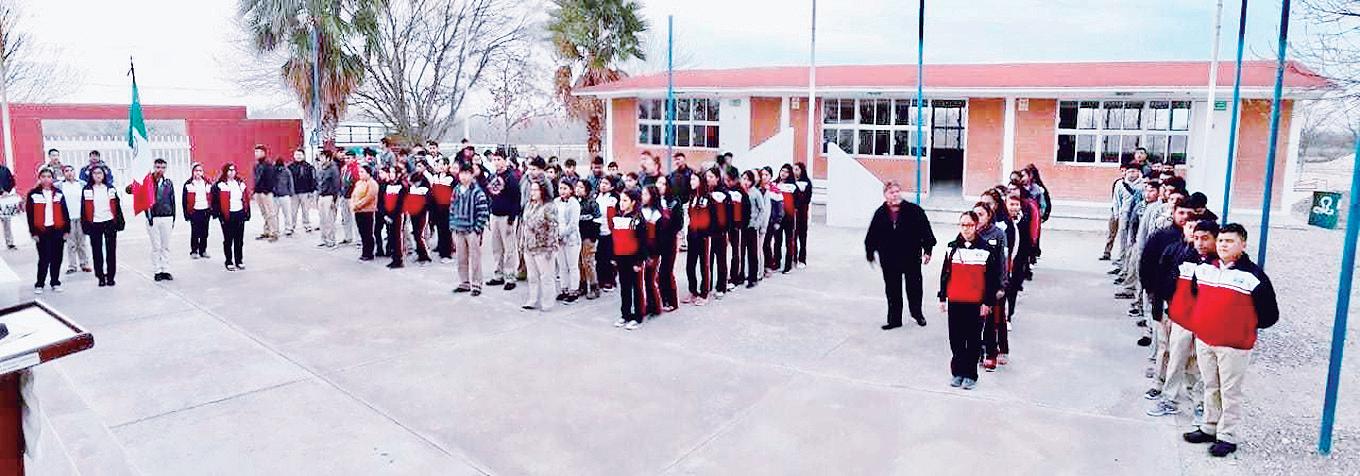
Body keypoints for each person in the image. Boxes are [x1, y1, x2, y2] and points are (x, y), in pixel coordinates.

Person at [1181, 223, 1279, 458]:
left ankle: (1227, 436)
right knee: (1210, 385)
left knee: (1230, 391)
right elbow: (1195, 294)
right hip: (1205, 340)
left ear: (1242, 244)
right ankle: (1209, 426)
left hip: (1234, 346)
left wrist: (1240, 326)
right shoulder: (1204, 269)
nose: (1223, 245)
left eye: (1230, 241)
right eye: (1221, 240)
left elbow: (1269, 314)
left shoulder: (1253, 276)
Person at [938, 211, 1002, 390]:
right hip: (955, 301)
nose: (966, 229)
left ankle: (970, 374)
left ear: (976, 226)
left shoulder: (986, 250)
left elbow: (992, 279)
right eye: (963, 225)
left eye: (969, 225)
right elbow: (945, 274)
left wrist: (987, 302)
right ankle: (957, 372)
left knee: (973, 339)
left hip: (975, 303)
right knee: (955, 338)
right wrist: (942, 297)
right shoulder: (951, 248)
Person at [865, 181, 936, 329]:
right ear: (885, 195)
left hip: (911, 256)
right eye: (892, 192)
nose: (895, 195)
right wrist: (870, 253)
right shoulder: (880, 213)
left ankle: (917, 314)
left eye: (897, 191)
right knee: (892, 289)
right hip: (889, 259)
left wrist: (928, 250)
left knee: (914, 287)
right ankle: (894, 320)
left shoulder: (914, 211)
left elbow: (925, 230)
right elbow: (872, 235)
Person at [972, 201, 1010, 371]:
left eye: (981, 214)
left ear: (989, 216)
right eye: (975, 215)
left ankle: (992, 352)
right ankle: (977, 352)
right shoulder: (969, 232)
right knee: (974, 322)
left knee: (992, 321)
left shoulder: (998, 234)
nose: (977, 218)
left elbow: (1003, 261)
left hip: (992, 284)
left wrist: (1001, 285)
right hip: (974, 285)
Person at [128, 159, 177, 281]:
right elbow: (129, 190)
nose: (160, 170)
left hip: (167, 216)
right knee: (156, 246)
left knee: (166, 245)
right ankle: (157, 270)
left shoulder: (168, 183)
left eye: (163, 167)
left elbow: (173, 201)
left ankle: (166, 269)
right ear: (154, 167)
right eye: (158, 167)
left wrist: (173, 218)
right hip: (153, 217)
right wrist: (137, 183)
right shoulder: (147, 182)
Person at [26, 168, 70, 293]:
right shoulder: (33, 194)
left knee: (57, 258)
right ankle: (39, 283)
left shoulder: (58, 193)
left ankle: (55, 282)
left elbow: (65, 212)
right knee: (44, 258)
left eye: (49, 176)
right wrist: (33, 232)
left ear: (52, 179)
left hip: (57, 230)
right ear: (39, 178)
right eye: (43, 176)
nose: (46, 179)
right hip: (42, 231)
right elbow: (30, 215)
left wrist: (67, 230)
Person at [450, 165, 490, 295]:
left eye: (467, 173)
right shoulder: (456, 190)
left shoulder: (477, 192)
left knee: (475, 258)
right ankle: (464, 282)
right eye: (462, 173)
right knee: (461, 258)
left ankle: (476, 284)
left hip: (472, 230)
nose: (464, 176)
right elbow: (452, 209)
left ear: (472, 175)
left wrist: (477, 228)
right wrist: (452, 226)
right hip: (459, 229)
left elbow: (483, 211)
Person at [81, 166, 124, 286]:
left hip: (109, 222)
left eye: (100, 173)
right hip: (94, 223)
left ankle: (110, 277)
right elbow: (83, 209)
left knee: (111, 251)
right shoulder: (87, 189)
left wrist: (119, 222)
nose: (98, 175)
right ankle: (100, 276)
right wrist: (85, 225)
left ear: (104, 175)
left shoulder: (110, 188)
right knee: (97, 251)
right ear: (91, 175)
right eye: (95, 173)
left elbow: (117, 206)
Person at [611, 188, 647, 330]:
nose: (621, 203)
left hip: (633, 258)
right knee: (624, 287)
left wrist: (639, 261)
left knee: (636, 287)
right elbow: (615, 239)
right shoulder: (618, 217)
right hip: (621, 257)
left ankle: (638, 316)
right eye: (621, 200)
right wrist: (614, 257)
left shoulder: (637, 219)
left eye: (625, 200)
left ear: (633, 202)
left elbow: (642, 242)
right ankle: (625, 314)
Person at [520, 181, 559, 312]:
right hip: (529, 245)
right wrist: (522, 243)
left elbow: (553, 228)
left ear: (543, 191)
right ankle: (532, 299)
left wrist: (550, 248)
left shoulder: (549, 207)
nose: (532, 193)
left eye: (535, 190)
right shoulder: (529, 205)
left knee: (546, 276)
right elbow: (524, 226)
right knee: (532, 276)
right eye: (531, 190)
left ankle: (547, 301)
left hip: (543, 246)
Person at [486, 152, 521, 291]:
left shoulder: (511, 178)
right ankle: (498, 274)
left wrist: (512, 219)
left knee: (509, 249)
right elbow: (489, 195)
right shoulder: (492, 176)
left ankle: (510, 276)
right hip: (494, 215)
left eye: (499, 159)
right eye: (494, 159)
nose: (496, 162)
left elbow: (516, 199)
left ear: (505, 160)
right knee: (496, 248)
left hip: (506, 217)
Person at [211, 163, 252, 271]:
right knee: (228, 239)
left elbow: (246, 199)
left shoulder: (240, 183)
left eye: (233, 170)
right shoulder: (220, 185)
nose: (232, 172)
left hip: (239, 213)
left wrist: (247, 213)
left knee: (239, 239)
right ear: (225, 171)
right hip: (227, 215)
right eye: (229, 170)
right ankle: (228, 261)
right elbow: (215, 202)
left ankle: (239, 260)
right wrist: (219, 216)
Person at [685, 173, 715, 306]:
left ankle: (704, 293)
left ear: (700, 181)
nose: (691, 181)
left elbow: (713, 217)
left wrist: (707, 233)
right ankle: (693, 291)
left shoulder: (708, 197)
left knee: (704, 265)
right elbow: (690, 214)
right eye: (690, 179)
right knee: (690, 265)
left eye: (693, 179)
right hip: (692, 235)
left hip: (703, 236)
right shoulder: (692, 197)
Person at [639, 185, 668, 317]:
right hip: (642, 249)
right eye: (642, 194)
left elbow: (661, 238)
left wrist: (654, 254)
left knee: (650, 280)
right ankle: (648, 304)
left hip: (653, 251)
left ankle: (656, 306)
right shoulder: (641, 210)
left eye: (646, 194)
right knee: (644, 280)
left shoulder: (658, 214)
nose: (643, 197)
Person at [58, 165, 91, 274]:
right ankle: (72, 265)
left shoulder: (82, 184)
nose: (69, 173)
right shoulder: (60, 186)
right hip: (68, 218)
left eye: (71, 170)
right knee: (71, 243)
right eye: (66, 171)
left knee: (82, 242)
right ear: (63, 173)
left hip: (80, 217)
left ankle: (84, 263)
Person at [656, 179, 683, 310]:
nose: (659, 186)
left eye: (663, 184)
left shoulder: (674, 202)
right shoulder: (654, 201)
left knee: (666, 271)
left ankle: (671, 301)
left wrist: (666, 224)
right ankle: (661, 299)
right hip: (656, 240)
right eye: (658, 183)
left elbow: (679, 223)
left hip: (669, 240)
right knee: (656, 272)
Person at [554, 180, 583, 303]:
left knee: (572, 266)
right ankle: (564, 289)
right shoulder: (556, 202)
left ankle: (574, 290)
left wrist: (562, 234)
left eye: (565, 188)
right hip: (558, 238)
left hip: (571, 239)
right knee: (562, 266)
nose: (562, 191)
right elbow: (553, 219)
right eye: (560, 188)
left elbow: (573, 224)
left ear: (571, 190)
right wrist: (555, 234)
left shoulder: (574, 203)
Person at [576, 180, 601, 300]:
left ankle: (594, 287)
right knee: (580, 262)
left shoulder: (592, 203)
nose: (578, 189)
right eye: (577, 186)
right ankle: (583, 285)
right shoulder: (576, 202)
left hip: (588, 236)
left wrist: (593, 237)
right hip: (578, 236)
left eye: (581, 187)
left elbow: (597, 221)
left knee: (588, 262)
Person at [742, 170, 768, 288]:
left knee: (752, 253)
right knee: (741, 252)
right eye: (744, 179)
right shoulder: (741, 191)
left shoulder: (755, 193)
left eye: (748, 179)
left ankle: (753, 278)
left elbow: (762, 210)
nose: (745, 182)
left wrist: (757, 224)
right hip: (741, 226)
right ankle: (742, 275)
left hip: (752, 226)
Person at [183, 163, 213, 260]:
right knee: (195, 232)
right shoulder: (188, 184)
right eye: (196, 171)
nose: (198, 173)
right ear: (193, 172)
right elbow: (184, 201)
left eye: (200, 171)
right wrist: (186, 214)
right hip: (194, 211)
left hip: (205, 210)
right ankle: (194, 251)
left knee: (205, 232)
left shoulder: (207, 183)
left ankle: (203, 250)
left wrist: (211, 210)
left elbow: (212, 197)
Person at [379, 165, 408, 269]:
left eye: (393, 172)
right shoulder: (387, 185)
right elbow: (382, 201)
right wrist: (385, 214)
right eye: (390, 172)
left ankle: (399, 259)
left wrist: (391, 216)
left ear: (398, 174)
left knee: (397, 237)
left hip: (397, 215)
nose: (391, 174)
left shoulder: (402, 186)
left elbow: (400, 204)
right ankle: (394, 257)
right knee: (391, 236)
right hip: (388, 215)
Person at [404, 161, 433, 265]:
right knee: (416, 233)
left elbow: (428, 198)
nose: (418, 168)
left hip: (422, 212)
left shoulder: (425, 181)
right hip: (413, 211)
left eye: (420, 166)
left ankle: (425, 255)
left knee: (420, 234)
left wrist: (424, 208)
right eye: (417, 166)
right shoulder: (413, 179)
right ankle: (420, 253)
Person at [725, 169, 748, 290]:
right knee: (729, 253)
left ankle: (736, 277)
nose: (726, 182)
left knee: (736, 252)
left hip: (737, 227)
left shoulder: (740, 193)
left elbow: (746, 211)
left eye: (728, 180)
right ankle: (729, 276)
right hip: (727, 226)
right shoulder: (725, 190)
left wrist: (741, 225)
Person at [429, 158, 456, 263]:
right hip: (437, 207)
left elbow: (454, 194)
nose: (441, 166)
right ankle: (441, 248)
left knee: (446, 230)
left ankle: (447, 253)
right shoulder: (435, 177)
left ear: (447, 166)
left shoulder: (451, 178)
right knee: (439, 228)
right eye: (439, 164)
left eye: (443, 164)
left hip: (447, 207)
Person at [595, 176, 619, 293]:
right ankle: (600, 279)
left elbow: (612, 215)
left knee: (609, 257)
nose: (603, 185)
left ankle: (610, 280)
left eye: (606, 183)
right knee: (599, 257)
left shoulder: (613, 199)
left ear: (612, 187)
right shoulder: (596, 196)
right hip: (598, 230)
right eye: (602, 183)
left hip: (609, 231)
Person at [315, 150, 343, 248]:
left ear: (328, 158)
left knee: (329, 219)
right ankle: (323, 239)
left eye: (323, 157)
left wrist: (334, 199)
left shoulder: (333, 169)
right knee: (322, 219)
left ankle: (331, 240)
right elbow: (318, 182)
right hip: (321, 195)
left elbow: (337, 184)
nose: (321, 159)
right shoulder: (320, 168)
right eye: (320, 157)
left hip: (329, 196)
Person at [351, 165, 379, 261]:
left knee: (367, 232)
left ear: (368, 173)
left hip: (367, 211)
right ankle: (364, 251)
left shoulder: (372, 183)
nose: (360, 174)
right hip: (358, 211)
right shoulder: (359, 183)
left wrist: (358, 205)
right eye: (360, 172)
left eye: (362, 172)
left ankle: (369, 253)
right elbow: (354, 195)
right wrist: (353, 204)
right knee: (362, 232)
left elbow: (369, 198)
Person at [252, 145, 280, 241]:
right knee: (264, 213)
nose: (256, 154)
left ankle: (274, 232)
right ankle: (267, 231)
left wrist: (267, 191)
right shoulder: (256, 166)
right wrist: (255, 191)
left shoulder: (268, 165)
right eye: (255, 152)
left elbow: (272, 179)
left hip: (266, 193)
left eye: (258, 152)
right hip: (258, 192)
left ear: (264, 153)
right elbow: (256, 179)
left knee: (270, 213)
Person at [775, 165, 797, 273]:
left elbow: (797, 201)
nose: (783, 173)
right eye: (782, 171)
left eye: (786, 172)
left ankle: (788, 265)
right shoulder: (775, 184)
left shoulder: (792, 186)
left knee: (789, 241)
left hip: (789, 217)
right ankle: (776, 262)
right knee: (777, 241)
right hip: (777, 217)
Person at [290, 149, 318, 233]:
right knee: (293, 211)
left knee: (305, 210)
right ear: (294, 156)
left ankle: (307, 225)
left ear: (303, 156)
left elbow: (313, 179)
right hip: (294, 193)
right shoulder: (290, 167)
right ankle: (292, 226)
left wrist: (312, 190)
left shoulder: (308, 167)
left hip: (305, 192)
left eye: (300, 155)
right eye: (296, 155)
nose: (298, 156)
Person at [792, 162, 813, 268]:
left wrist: (798, 205)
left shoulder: (807, 182)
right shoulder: (791, 182)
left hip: (802, 214)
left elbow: (807, 198)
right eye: (793, 169)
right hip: (792, 213)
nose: (794, 171)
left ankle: (802, 259)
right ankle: (793, 258)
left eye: (797, 169)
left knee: (802, 237)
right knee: (793, 237)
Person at [273, 156, 297, 236]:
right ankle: (287, 229)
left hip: (278, 195)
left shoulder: (283, 171)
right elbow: (291, 183)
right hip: (283, 195)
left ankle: (277, 229)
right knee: (286, 213)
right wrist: (291, 193)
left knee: (277, 214)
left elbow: (290, 182)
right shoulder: (287, 171)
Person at [0, 160, 15, 249]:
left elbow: (12, 182)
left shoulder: (4, 170)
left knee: (6, 221)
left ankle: (9, 242)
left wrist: (7, 191)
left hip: (4, 199)